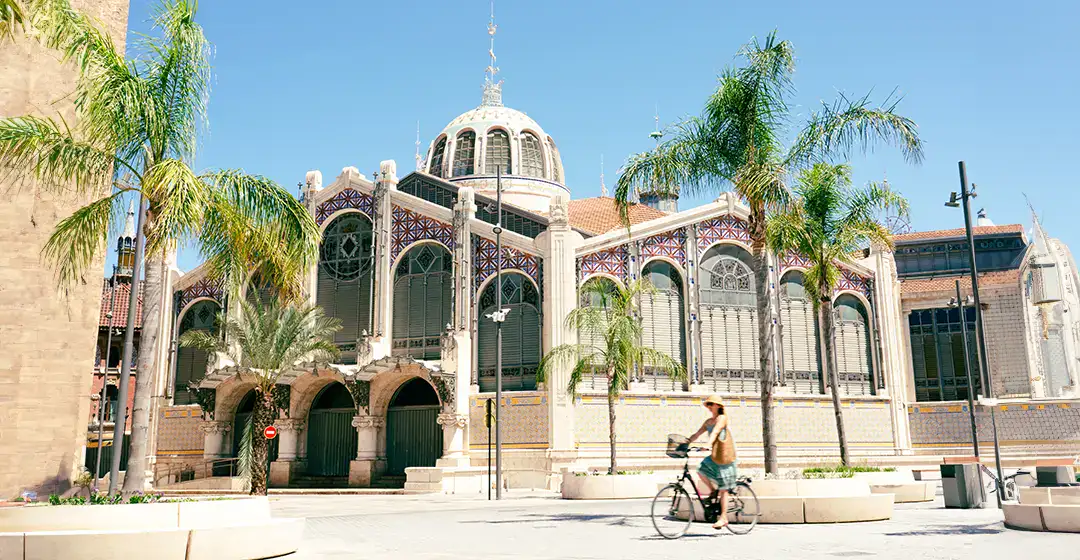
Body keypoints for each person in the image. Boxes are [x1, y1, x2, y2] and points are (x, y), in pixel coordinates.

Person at [686, 394, 737, 529]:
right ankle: (712, 490)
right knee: (701, 470)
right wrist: (686, 443)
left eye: (711, 404)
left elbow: (715, 432)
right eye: (708, 405)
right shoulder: (708, 421)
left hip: (725, 457)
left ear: (718, 406)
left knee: (724, 489)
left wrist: (708, 444)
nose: (709, 407)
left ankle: (724, 517)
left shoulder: (722, 418)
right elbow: (697, 434)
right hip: (715, 457)